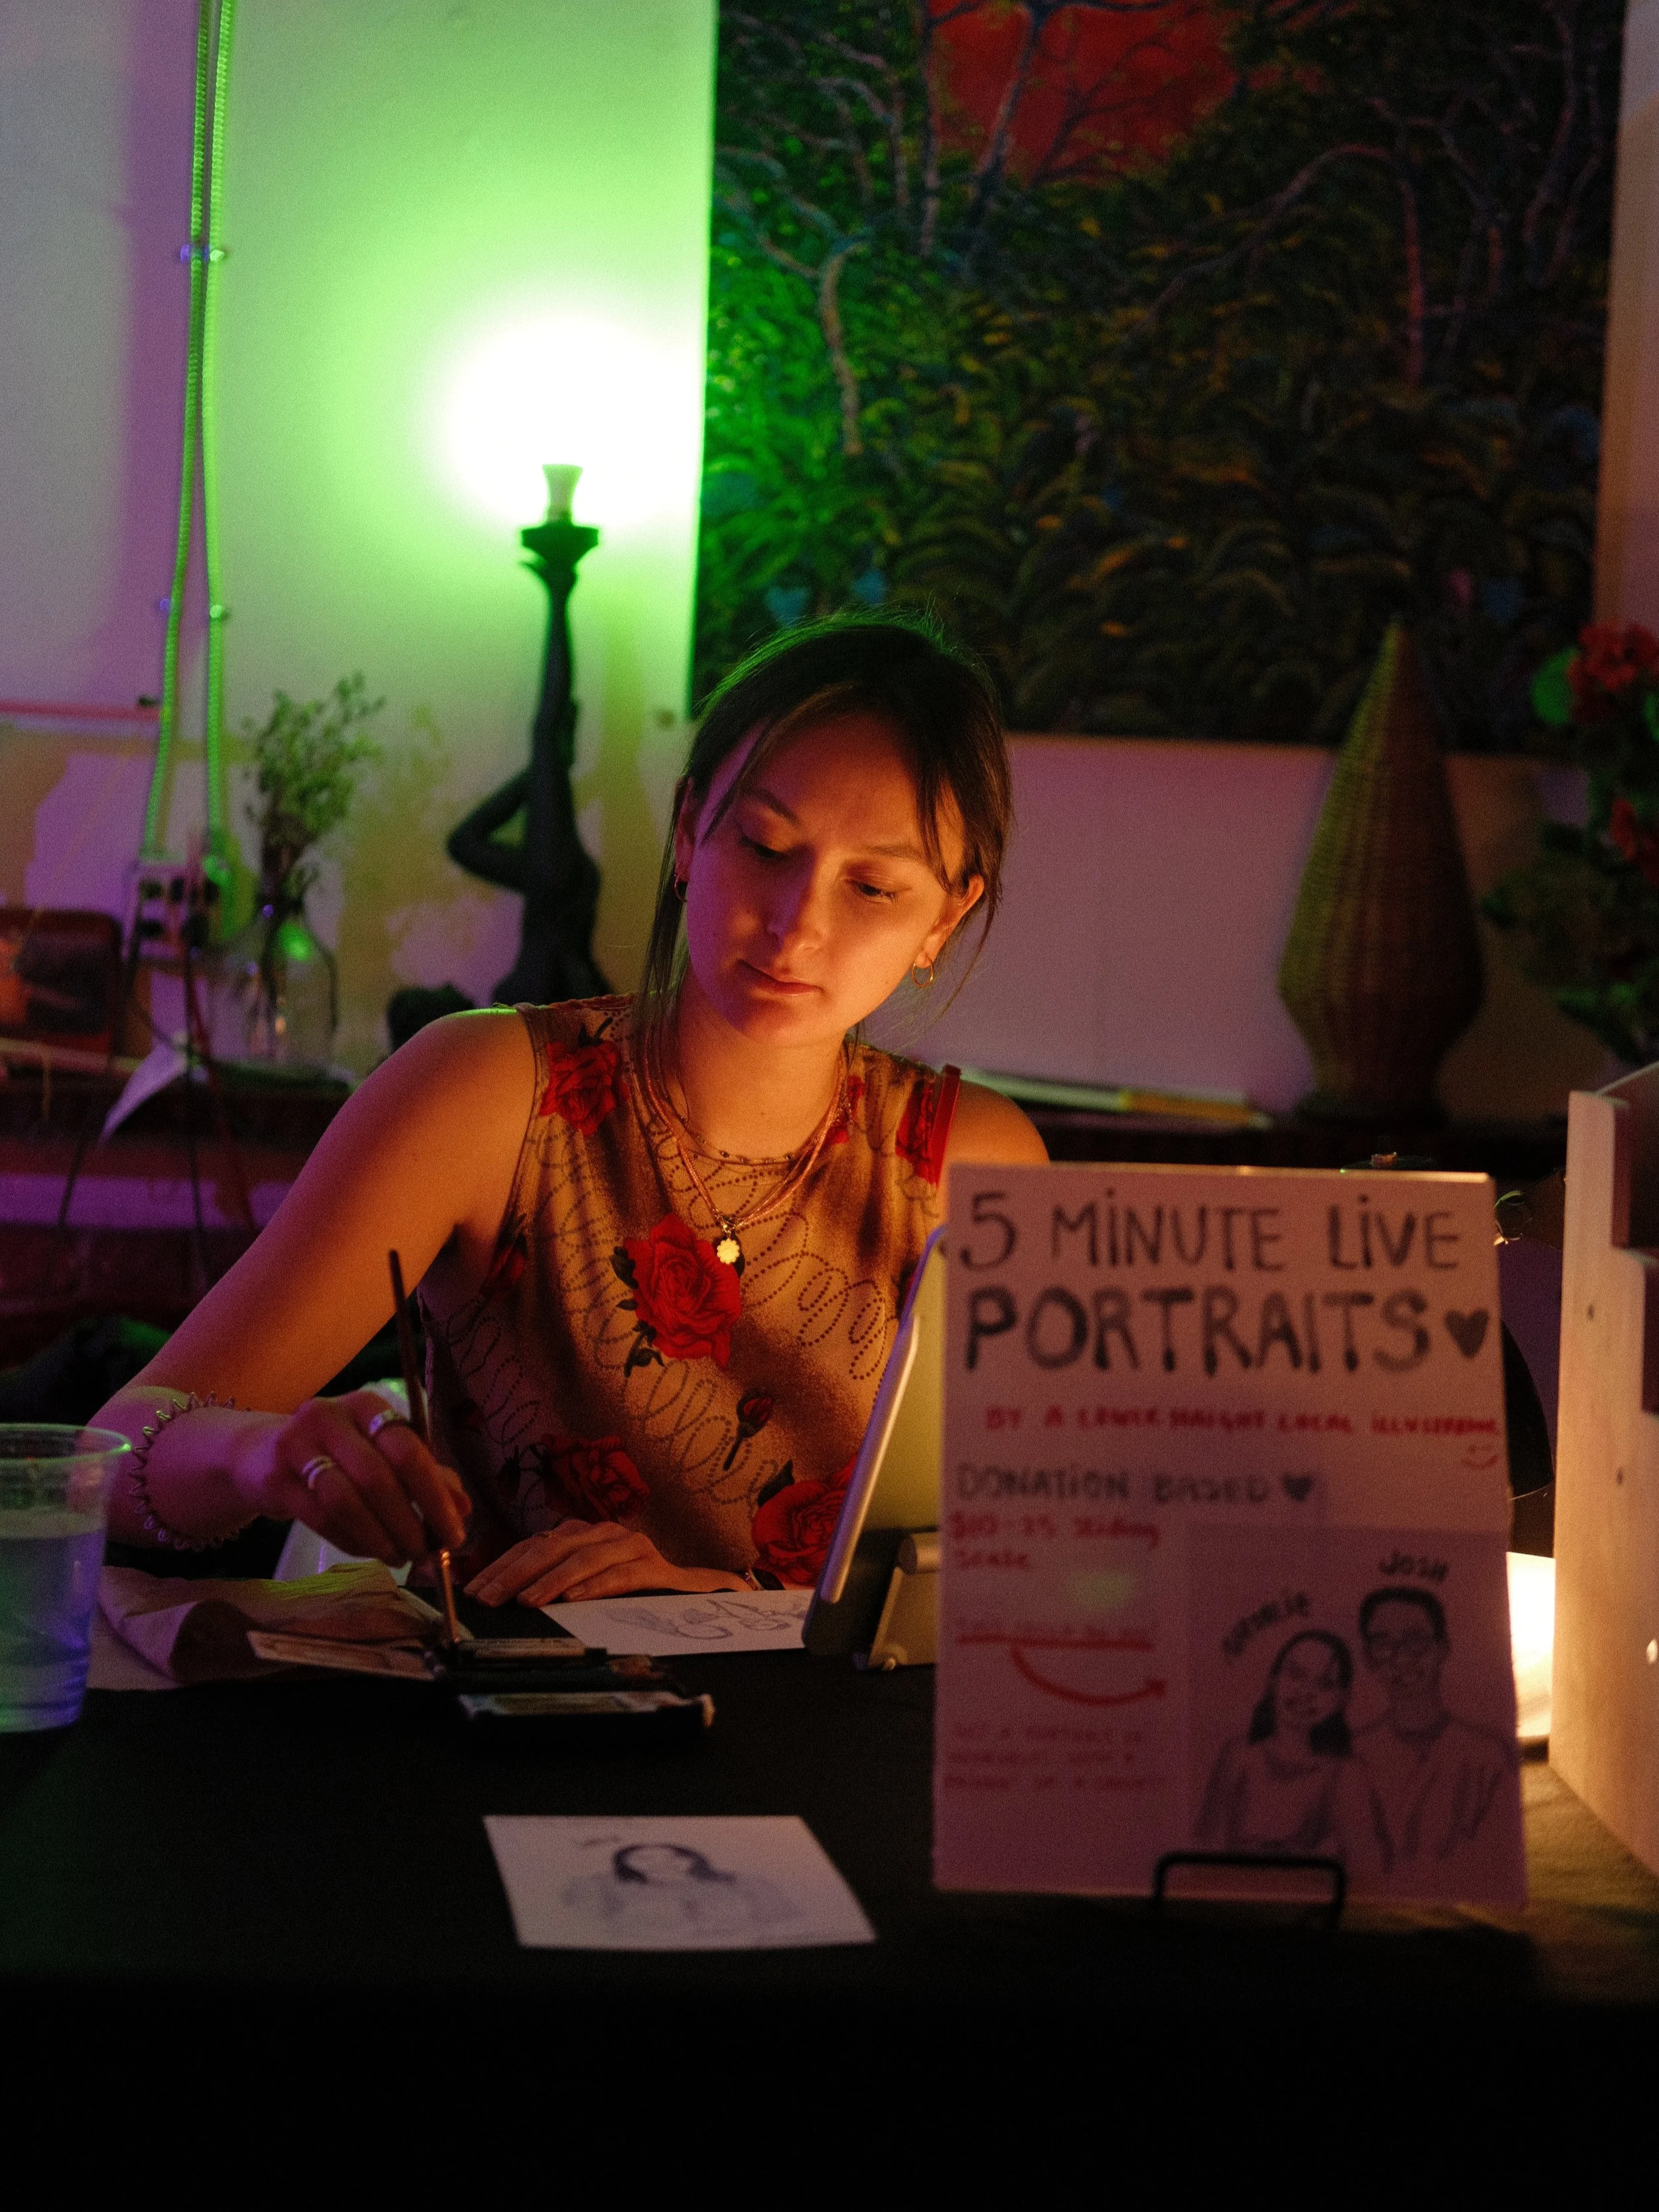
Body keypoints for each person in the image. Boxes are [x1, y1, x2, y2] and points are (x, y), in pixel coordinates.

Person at [92, 615, 1046, 1604]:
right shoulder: (491, 1092)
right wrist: (260, 1455)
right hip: (515, 1738)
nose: (799, 924)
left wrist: (718, 1609)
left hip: (821, 1752)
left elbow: (1022, 1580)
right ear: (687, 833)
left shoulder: (966, 1168)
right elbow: (114, 1457)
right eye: (764, 845)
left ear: (945, 917)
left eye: (873, 887)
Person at [1197, 1629, 1390, 1875]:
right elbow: (1204, 1851)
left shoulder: (1345, 1775)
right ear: (1273, 1680)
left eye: (1325, 1684)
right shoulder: (1238, 1757)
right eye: (1297, 1674)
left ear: (1342, 1699)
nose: (1307, 1692)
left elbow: (1367, 1869)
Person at [1352, 1587, 1516, 1866]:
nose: (1401, 1657)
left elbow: (1496, 1858)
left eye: (1416, 1641)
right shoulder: (1354, 1754)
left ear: (1442, 1648)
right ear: (1368, 1657)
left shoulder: (1487, 1758)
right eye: (1383, 1643)